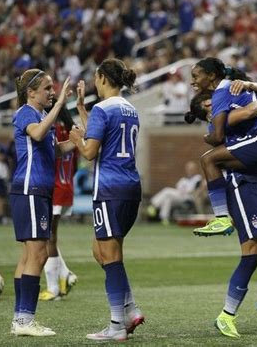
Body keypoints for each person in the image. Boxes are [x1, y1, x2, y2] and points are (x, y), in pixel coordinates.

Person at [186, 94, 257, 338]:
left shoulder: (228, 115)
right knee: (251, 252)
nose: (221, 98)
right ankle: (226, 315)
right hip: (244, 185)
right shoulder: (221, 121)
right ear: (208, 106)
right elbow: (253, 109)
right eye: (213, 98)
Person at [69, 58, 144, 342]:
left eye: (95, 79)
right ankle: (130, 309)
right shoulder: (130, 109)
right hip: (130, 187)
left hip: (109, 189)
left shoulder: (102, 109)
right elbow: (106, 138)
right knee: (102, 252)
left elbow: (90, 152)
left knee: (109, 257)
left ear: (101, 77)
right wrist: (80, 108)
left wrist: (76, 138)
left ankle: (116, 325)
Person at [190, 57, 257, 237]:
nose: (193, 81)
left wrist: (209, 138)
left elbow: (219, 135)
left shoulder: (221, 94)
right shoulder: (234, 89)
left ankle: (222, 217)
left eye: (196, 76)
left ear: (212, 75)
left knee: (208, 160)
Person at [10, 69, 75, 337]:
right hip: (30, 189)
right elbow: (37, 135)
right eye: (48, 89)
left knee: (29, 256)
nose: (52, 93)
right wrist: (60, 105)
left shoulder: (39, 116)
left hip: (38, 191)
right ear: (31, 92)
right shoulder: (27, 112)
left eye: (53, 89)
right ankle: (25, 320)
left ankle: (19, 318)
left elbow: (54, 149)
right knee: (38, 254)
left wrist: (77, 140)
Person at [38, 106, 79, 301]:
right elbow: (76, 163)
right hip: (67, 187)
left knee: (48, 238)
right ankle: (65, 275)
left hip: (53, 187)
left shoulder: (50, 129)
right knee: (50, 236)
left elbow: (47, 158)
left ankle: (53, 288)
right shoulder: (71, 129)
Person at [146, 160, 202, 225]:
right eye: (189, 169)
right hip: (179, 197)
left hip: (189, 198)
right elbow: (177, 188)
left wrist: (186, 191)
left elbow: (195, 189)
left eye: (192, 169)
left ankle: (153, 205)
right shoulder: (183, 180)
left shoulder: (197, 178)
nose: (190, 170)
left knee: (167, 190)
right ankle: (164, 219)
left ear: (195, 169)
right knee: (167, 199)